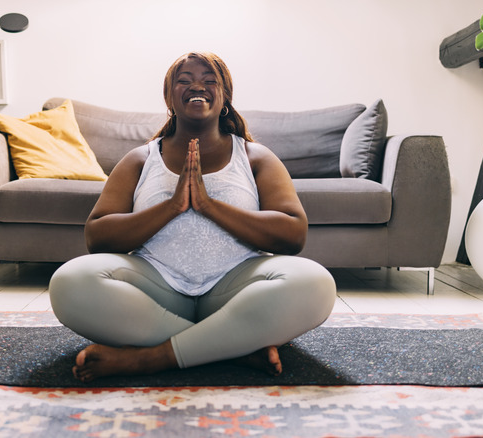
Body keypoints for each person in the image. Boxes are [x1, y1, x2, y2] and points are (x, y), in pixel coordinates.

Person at [49, 51, 337, 382]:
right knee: (69, 283)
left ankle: (153, 358)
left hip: (235, 286)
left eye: (208, 80)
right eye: (183, 81)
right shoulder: (140, 159)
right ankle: (233, 347)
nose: (196, 86)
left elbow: (293, 234)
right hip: (157, 287)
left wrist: (209, 206)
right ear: (170, 97)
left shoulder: (254, 156)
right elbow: (97, 235)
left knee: (315, 283)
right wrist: (172, 206)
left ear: (225, 95)